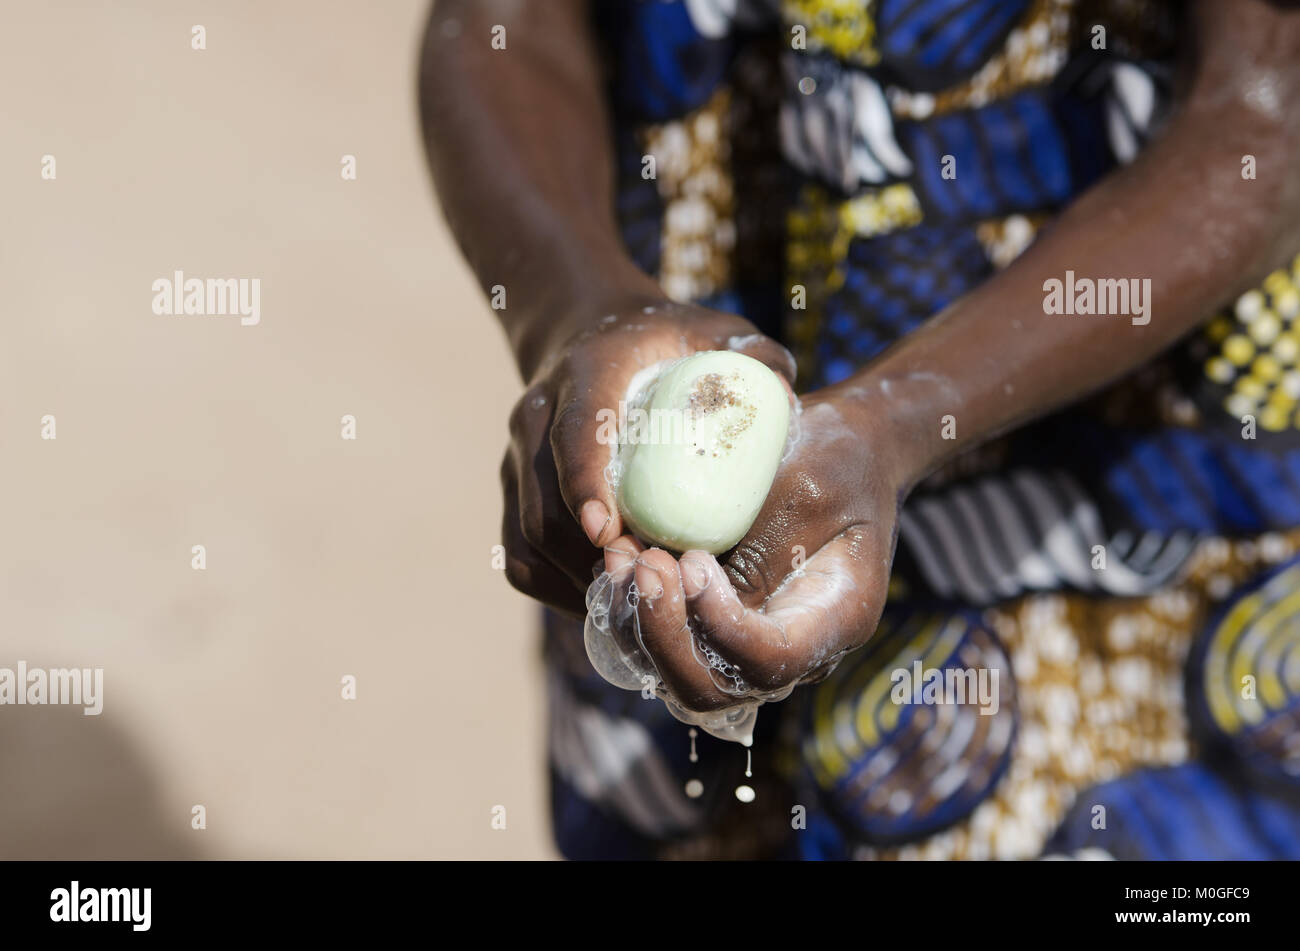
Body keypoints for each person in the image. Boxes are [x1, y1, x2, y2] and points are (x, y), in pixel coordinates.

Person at [420, 0, 1300, 860]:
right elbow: (504, 24)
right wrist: (574, 305)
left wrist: (903, 415)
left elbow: (1266, 127)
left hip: (1112, 486)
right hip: (669, 371)